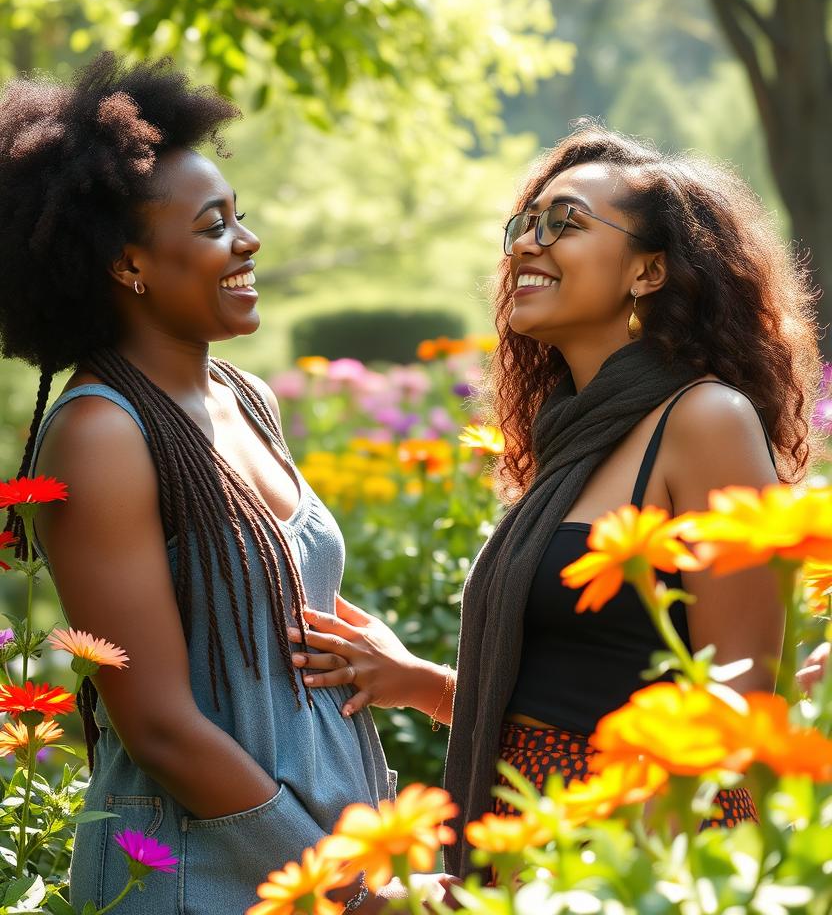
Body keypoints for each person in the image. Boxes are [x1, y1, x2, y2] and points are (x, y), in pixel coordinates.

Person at [287, 124, 821, 877]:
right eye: (524, 224)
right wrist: (419, 683)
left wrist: (604, 877)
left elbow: (734, 712)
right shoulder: (572, 440)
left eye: (563, 221)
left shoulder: (704, 422)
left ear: (649, 271)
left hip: (625, 859)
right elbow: (566, 695)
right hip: (531, 847)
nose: (525, 245)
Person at [0, 54, 430, 914]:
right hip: (205, 873)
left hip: (325, 856)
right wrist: (345, 888)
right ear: (129, 266)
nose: (248, 242)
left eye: (240, 216)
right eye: (211, 227)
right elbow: (157, 725)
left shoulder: (246, 398)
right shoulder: (102, 434)